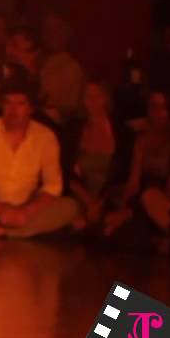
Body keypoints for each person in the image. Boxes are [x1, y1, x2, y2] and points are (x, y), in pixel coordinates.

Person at [0, 77, 79, 238]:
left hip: (29, 208)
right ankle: (19, 232)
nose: (13, 110)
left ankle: (4, 232)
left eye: (20, 104)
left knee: (70, 207)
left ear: (30, 108)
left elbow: (53, 185)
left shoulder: (45, 136)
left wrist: (26, 211)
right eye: (8, 103)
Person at [103, 90, 170, 244]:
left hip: (163, 200)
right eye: (153, 106)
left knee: (149, 200)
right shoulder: (142, 140)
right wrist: (125, 204)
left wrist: (131, 211)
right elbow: (134, 181)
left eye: (161, 107)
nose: (156, 112)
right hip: (142, 195)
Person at [61, 81, 130, 229]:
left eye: (98, 95)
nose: (93, 100)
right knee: (75, 221)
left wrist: (100, 203)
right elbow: (66, 172)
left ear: (106, 98)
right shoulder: (73, 129)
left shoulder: (121, 131)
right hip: (81, 196)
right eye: (88, 96)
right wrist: (89, 201)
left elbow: (124, 175)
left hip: (110, 197)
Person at [39, 13, 86, 124]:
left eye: (57, 29)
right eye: (48, 30)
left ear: (67, 32)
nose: (51, 34)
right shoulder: (37, 61)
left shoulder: (72, 68)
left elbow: (70, 111)